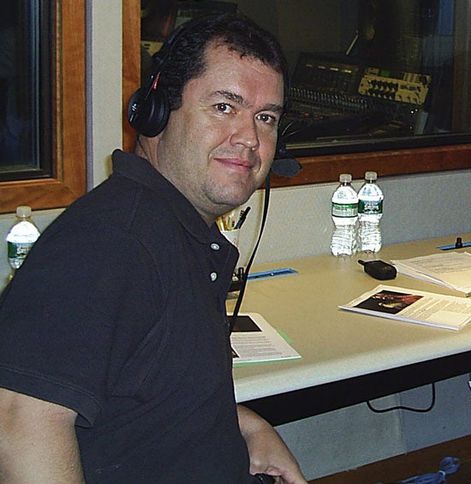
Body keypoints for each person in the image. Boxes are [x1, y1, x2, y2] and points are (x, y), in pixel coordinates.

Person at [0, 14, 306, 483]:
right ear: (157, 112)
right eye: (224, 107)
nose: (249, 138)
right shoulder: (111, 241)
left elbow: (148, 392)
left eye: (265, 118)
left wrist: (245, 426)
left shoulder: (170, 229)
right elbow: (19, 419)